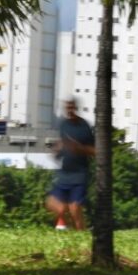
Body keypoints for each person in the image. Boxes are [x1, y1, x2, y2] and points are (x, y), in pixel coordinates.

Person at [47, 98, 95, 231]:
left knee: (75, 208)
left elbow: (95, 151)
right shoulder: (64, 125)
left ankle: (81, 234)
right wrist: (57, 150)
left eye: (71, 107)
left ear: (75, 108)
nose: (69, 110)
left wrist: (79, 148)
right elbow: (62, 145)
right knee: (53, 205)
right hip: (64, 173)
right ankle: (69, 229)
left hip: (79, 174)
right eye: (67, 108)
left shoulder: (84, 126)